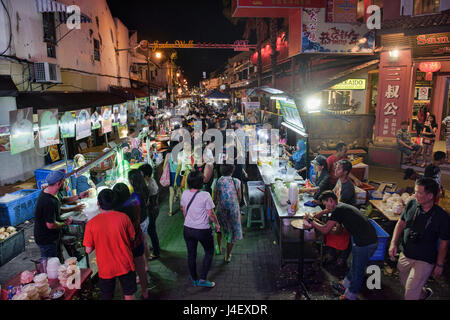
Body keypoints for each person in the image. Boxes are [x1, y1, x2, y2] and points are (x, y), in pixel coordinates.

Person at [305, 191, 378, 300]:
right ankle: (345, 285)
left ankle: (350, 296)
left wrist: (311, 221)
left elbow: (325, 230)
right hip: (363, 238)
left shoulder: (338, 210)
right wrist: (319, 214)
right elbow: (329, 210)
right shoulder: (341, 206)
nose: (326, 206)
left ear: (331, 200)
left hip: (365, 242)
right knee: (355, 263)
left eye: (325, 203)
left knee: (358, 270)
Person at [388, 178, 449, 300]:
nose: (415, 195)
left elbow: (444, 242)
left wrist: (440, 264)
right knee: (405, 280)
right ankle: (424, 294)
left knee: (410, 294)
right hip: (406, 253)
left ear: (430, 196)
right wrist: (393, 243)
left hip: (425, 259)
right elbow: (401, 223)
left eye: (419, 193)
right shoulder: (412, 204)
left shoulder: (441, 216)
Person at [83, 189, 137, 300]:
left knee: (107, 296)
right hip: (124, 263)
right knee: (129, 294)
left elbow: (88, 250)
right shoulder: (124, 217)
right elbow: (132, 237)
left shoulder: (91, 224)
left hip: (105, 267)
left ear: (98, 203)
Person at [34, 171, 88, 261]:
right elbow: (50, 225)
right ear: (59, 183)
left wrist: (78, 196)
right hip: (46, 239)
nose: (66, 183)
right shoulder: (48, 201)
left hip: (54, 235)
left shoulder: (51, 191)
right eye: (64, 181)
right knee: (52, 263)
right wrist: (65, 223)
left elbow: (61, 201)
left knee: (59, 258)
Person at [181, 170, 220, 288]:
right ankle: (202, 279)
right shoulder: (205, 195)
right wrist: (217, 224)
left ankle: (194, 278)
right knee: (209, 252)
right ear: (201, 182)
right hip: (202, 230)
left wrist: (190, 221)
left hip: (188, 229)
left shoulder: (185, 194)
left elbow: (184, 211)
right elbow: (211, 214)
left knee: (191, 254)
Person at [113, 183, 149, 300]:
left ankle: (125, 296)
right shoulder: (134, 201)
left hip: (124, 244)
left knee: (123, 274)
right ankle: (145, 291)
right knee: (140, 267)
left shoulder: (117, 211)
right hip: (137, 240)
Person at [128, 169, 160, 262]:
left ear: (132, 180)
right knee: (146, 238)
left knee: (144, 241)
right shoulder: (145, 188)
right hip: (146, 216)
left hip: (142, 218)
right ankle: (151, 253)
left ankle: (147, 260)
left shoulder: (135, 195)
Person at [214, 164, 243, 262]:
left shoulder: (217, 181)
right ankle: (227, 256)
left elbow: (214, 198)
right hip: (232, 211)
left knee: (219, 229)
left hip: (221, 209)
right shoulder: (236, 181)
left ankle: (218, 248)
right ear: (232, 171)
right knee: (231, 233)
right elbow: (239, 198)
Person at [138, 164, 161, 260]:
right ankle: (155, 247)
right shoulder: (151, 181)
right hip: (154, 209)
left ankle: (156, 252)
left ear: (146, 175)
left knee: (152, 231)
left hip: (152, 210)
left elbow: (147, 201)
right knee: (151, 230)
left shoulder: (149, 185)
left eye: (141, 174)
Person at [164, 143, 182, 216]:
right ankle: (182, 206)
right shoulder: (179, 155)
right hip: (177, 175)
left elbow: (164, 166)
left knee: (171, 193)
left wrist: (166, 175)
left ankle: (170, 211)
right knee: (179, 192)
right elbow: (179, 167)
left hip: (171, 174)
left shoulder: (168, 155)